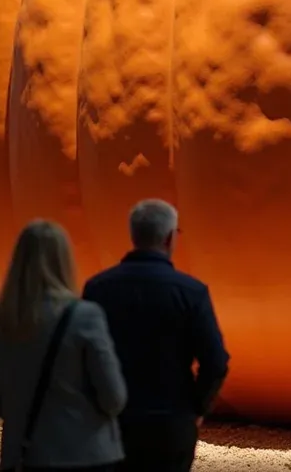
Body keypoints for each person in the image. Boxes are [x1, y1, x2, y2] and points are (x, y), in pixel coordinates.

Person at [83, 200, 228, 472]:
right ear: (170, 237)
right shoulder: (191, 292)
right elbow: (216, 361)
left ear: (132, 236)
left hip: (115, 422)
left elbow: (82, 356)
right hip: (171, 423)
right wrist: (197, 407)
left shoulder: (98, 288)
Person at [0, 220, 127, 472]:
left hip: (23, 456)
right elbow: (114, 398)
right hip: (86, 455)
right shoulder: (85, 316)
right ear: (64, 261)